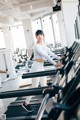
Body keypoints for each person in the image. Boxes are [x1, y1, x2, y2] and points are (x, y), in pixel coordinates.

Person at [22, 30, 63, 112]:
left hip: (41, 67)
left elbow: (51, 53)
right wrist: (55, 64)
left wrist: (60, 58)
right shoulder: (37, 46)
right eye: (38, 35)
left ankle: (49, 104)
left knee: (44, 85)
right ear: (36, 37)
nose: (39, 36)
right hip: (36, 67)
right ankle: (25, 103)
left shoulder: (44, 45)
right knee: (34, 86)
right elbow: (46, 56)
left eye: (41, 35)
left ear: (43, 35)